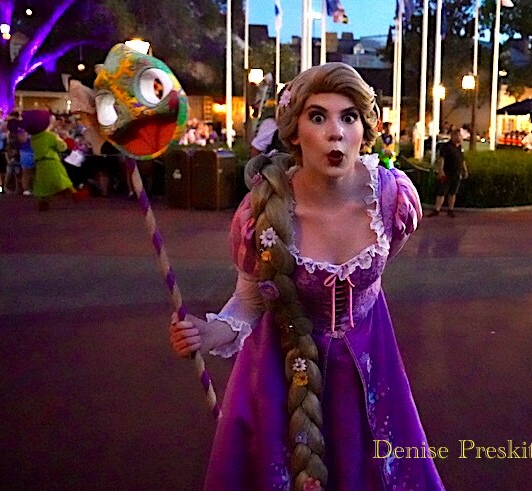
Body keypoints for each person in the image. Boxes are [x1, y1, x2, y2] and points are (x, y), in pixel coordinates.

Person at [168, 62, 442, 490]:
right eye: (318, 116)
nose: (335, 132)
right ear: (294, 132)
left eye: (348, 117)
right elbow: (249, 299)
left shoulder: (392, 200)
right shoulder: (260, 213)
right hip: (280, 375)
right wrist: (209, 333)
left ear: (364, 131)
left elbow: (380, 271)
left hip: (368, 370)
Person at [23, 110, 89, 211]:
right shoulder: (50, 136)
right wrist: (60, 139)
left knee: (43, 184)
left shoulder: (34, 138)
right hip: (52, 161)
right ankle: (75, 194)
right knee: (62, 179)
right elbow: (62, 147)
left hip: (40, 163)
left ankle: (43, 202)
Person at [428, 128, 468, 217]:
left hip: (457, 173)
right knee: (442, 192)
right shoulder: (446, 147)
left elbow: (462, 160)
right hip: (447, 173)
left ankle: (451, 209)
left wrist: (465, 170)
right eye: (457, 135)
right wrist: (441, 171)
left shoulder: (460, 148)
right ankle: (437, 209)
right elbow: (442, 159)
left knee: (453, 192)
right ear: (452, 136)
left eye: (460, 136)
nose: (459, 137)